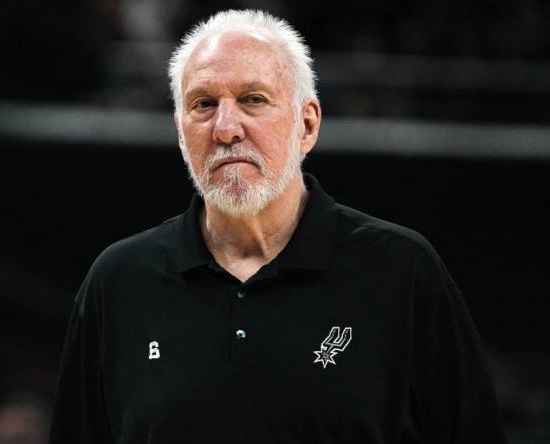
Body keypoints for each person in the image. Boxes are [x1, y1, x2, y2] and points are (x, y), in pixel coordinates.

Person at [49, 9, 507, 444]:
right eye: (204, 104)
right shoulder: (119, 281)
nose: (226, 128)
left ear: (306, 125)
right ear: (180, 131)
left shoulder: (402, 272)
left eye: (253, 99)